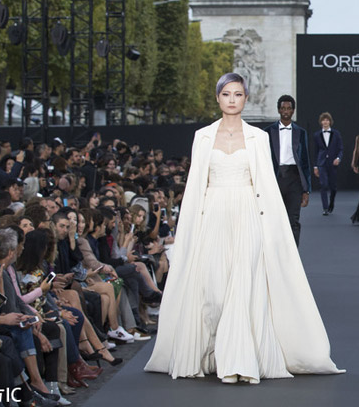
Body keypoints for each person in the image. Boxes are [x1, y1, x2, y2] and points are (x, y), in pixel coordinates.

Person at [145, 73, 343, 383]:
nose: (232, 99)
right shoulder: (203, 137)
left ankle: (238, 361)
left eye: (238, 94)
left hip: (248, 213)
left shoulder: (258, 137)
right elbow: (196, 186)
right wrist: (188, 231)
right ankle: (217, 352)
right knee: (214, 289)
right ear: (218, 98)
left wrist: (274, 231)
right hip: (212, 215)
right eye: (226, 94)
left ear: (245, 99)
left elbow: (266, 185)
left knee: (243, 284)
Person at [264, 95, 311, 245]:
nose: (286, 111)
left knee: (293, 220)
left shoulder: (301, 132)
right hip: (274, 179)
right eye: (283, 108)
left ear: (293, 111)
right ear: (278, 110)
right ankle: (276, 258)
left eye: (289, 108)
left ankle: (293, 260)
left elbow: (305, 162)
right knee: (274, 221)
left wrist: (306, 190)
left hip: (294, 179)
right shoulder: (267, 132)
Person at [312, 112, 343, 216]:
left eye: (327, 120)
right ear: (321, 122)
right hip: (322, 163)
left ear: (330, 122)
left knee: (333, 187)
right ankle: (325, 207)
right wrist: (315, 166)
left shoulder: (336, 134)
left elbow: (340, 149)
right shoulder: (316, 135)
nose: (325, 122)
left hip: (333, 163)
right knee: (323, 185)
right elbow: (315, 151)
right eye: (323, 120)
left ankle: (331, 203)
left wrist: (338, 158)